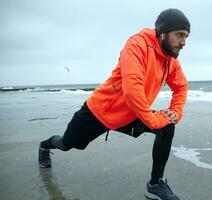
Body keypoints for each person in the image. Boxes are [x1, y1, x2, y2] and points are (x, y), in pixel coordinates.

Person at [39, 8, 190, 200]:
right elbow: (132, 87)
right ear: (163, 32)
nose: (183, 42)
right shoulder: (137, 44)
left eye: (186, 37)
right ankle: (44, 146)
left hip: (132, 114)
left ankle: (155, 184)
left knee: (167, 126)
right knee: (68, 144)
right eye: (179, 35)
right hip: (100, 111)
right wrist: (152, 119)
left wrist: (175, 113)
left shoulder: (171, 61)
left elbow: (181, 87)